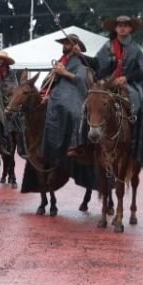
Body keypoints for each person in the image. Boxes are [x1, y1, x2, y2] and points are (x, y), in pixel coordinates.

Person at [81, 15, 143, 177]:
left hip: (129, 84)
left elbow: (142, 70)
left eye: (126, 25)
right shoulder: (107, 46)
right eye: (119, 25)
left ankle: (137, 139)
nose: (122, 28)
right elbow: (95, 64)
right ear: (115, 28)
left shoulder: (135, 49)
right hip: (107, 84)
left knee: (141, 103)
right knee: (89, 103)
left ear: (130, 29)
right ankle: (83, 145)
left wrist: (126, 78)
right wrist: (79, 54)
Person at [40, 35, 94, 188]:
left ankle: (75, 144)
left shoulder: (82, 65)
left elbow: (81, 80)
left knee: (74, 111)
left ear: (75, 46)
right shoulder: (60, 61)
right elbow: (47, 81)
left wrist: (64, 73)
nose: (64, 45)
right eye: (63, 42)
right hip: (56, 93)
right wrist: (52, 75)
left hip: (74, 94)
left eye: (67, 43)